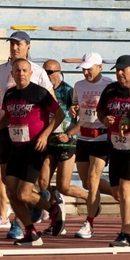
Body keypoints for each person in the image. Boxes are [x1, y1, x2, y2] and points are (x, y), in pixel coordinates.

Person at [0, 56, 64, 248]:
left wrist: (45, 135)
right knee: (11, 191)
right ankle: (31, 232)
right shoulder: (9, 94)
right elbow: (8, 118)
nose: (21, 74)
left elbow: (59, 114)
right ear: (12, 74)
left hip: (35, 147)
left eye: (25, 70)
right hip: (16, 147)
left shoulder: (39, 92)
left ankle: (52, 208)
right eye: (17, 71)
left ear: (31, 73)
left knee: (24, 193)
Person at [70, 52, 113, 240]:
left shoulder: (109, 85)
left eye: (89, 68)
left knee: (94, 178)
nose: (86, 72)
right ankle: (121, 194)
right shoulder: (78, 86)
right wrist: (74, 109)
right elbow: (75, 107)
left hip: (102, 139)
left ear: (99, 67)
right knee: (87, 183)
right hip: (83, 138)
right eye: (84, 69)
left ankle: (89, 223)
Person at [99, 56, 130, 247]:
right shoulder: (111, 89)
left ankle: (126, 234)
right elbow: (101, 111)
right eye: (117, 70)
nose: (120, 73)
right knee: (117, 193)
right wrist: (105, 119)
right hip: (115, 146)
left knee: (125, 190)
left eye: (124, 70)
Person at [41, 59, 79, 232]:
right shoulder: (41, 92)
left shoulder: (69, 91)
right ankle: (56, 216)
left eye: (50, 72)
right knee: (42, 182)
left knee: (63, 186)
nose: (47, 76)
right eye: (45, 72)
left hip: (67, 143)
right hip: (48, 141)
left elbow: (84, 119)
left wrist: (69, 134)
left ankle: (92, 198)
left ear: (59, 72)